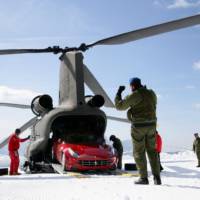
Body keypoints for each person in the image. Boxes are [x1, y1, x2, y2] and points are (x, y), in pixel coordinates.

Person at [115, 77, 161, 185]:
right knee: (152, 151)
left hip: (139, 127)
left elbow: (119, 106)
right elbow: (153, 105)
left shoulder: (135, 95)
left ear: (132, 86)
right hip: (152, 126)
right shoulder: (152, 93)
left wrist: (118, 93)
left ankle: (143, 178)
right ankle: (157, 177)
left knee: (139, 152)